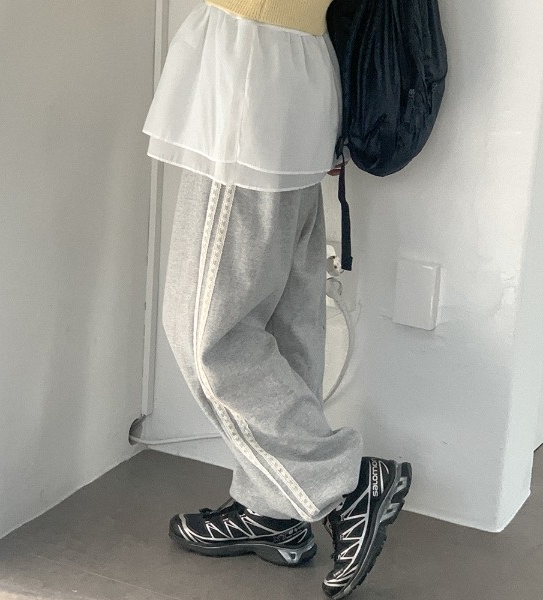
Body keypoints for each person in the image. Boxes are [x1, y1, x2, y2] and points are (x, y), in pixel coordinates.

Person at [141, 1, 412, 597]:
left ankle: (342, 484)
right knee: (286, 319)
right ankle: (274, 511)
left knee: (207, 333)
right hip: (291, 69)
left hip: (249, 78)